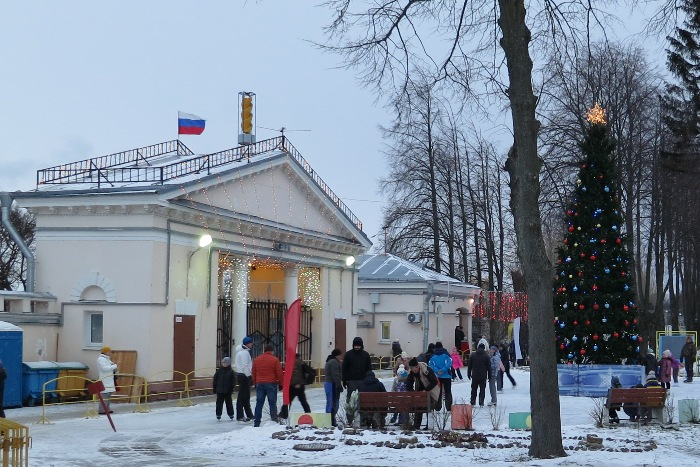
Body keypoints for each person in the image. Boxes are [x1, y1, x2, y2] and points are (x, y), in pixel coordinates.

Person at [252, 344, 283, 427]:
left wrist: (255, 382)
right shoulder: (275, 359)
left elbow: (254, 372)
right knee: (272, 403)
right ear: (272, 351)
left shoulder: (257, 359)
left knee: (259, 403)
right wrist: (281, 383)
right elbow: (279, 373)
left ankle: (257, 422)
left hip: (259, 383)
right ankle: (274, 419)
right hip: (271, 383)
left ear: (264, 351)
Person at [406, 357, 440, 429]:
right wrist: (412, 392)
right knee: (418, 407)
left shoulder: (426, 369)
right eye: (412, 369)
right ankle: (416, 425)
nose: (413, 371)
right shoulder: (411, 372)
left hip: (431, 391)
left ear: (417, 366)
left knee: (429, 407)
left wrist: (426, 390)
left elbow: (434, 381)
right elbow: (409, 384)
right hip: (420, 392)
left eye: (414, 369)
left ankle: (429, 426)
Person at [279, 354, 312, 419]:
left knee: (288, 400)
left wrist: (296, 383)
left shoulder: (293, 362)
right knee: (303, 400)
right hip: (300, 384)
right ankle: (308, 412)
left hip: (294, 385)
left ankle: (284, 414)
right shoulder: (300, 361)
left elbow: (296, 373)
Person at [342, 337, 372, 404]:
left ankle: (362, 409)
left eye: (358, 346)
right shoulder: (348, 354)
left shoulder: (365, 355)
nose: (356, 347)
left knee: (363, 397)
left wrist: (369, 378)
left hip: (363, 380)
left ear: (361, 345)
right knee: (350, 398)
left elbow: (369, 368)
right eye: (355, 346)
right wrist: (344, 379)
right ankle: (350, 409)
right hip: (351, 380)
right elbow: (344, 368)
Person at [233, 336, 254, 422]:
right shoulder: (244, 353)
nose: (252, 344)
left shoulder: (241, 352)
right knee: (243, 396)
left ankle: (248, 414)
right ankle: (240, 415)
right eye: (251, 342)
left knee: (244, 396)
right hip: (244, 375)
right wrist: (249, 376)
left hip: (241, 375)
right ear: (247, 344)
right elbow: (245, 366)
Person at [429, 341, 453, 411]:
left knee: (438, 392)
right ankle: (448, 407)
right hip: (447, 376)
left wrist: (437, 370)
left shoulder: (433, 356)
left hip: (437, 376)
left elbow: (431, 365)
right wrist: (443, 369)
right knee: (448, 391)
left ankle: (438, 407)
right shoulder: (446, 354)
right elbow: (450, 363)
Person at [323, 349, 343, 426]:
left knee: (330, 401)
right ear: (336, 355)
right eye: (340, 355)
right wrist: (339, 385)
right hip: (332, 384)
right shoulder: (334, 362)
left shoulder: (331, 361)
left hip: (329, 383)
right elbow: (335, 374)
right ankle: (331, 420)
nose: (341, 356)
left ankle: (329, 419)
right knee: (333, 402)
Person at [213, 356, 235, 420]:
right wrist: (215, 388)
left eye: (225, 363)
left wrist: (231, 389)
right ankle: (218, 414)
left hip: (227, 391)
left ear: (228, 363)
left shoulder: (231, 372)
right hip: (220, 390)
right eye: (223, 363)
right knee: (219, 403)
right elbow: (215, 380)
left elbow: (233, 382)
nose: (224, 364)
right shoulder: (219, 371)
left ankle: (231, 414)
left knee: (229, 403)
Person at [97, 346, 118, 414]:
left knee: (108, 395)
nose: (110, 352)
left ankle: (107, 409)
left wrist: (114, 368)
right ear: (105, 352)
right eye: (109, 351)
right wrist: (114, 366)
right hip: (105, 380)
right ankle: (102, 410)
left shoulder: (107, 359)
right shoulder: (101, 359)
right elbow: (104, 368)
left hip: (109, 380)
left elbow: (110, 367)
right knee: (104, 395)